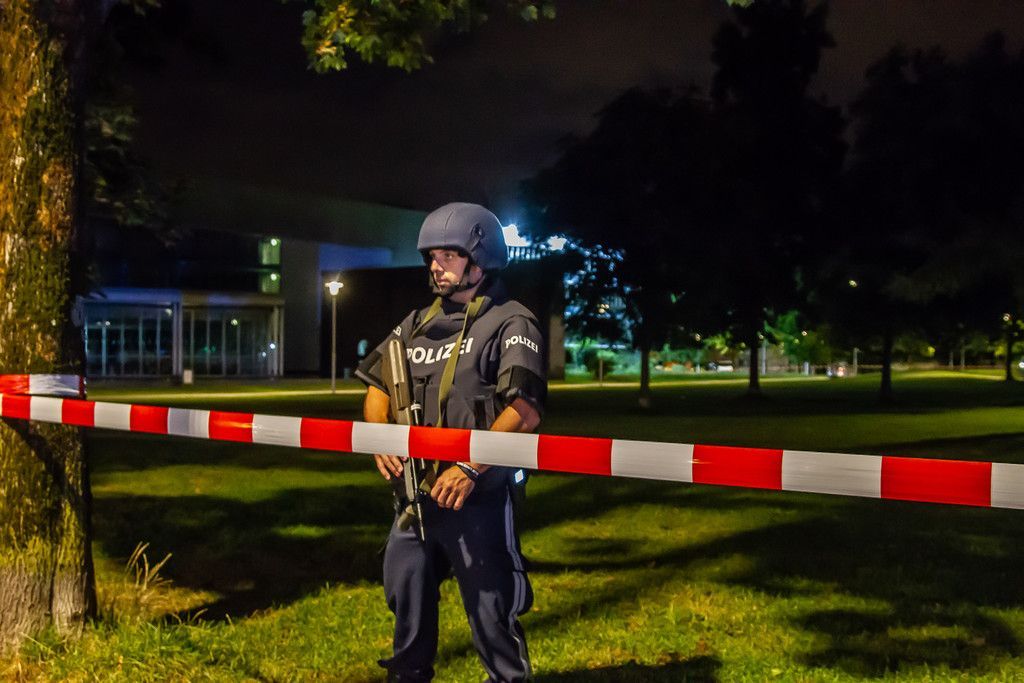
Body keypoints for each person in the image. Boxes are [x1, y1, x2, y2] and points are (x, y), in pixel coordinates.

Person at [356, 202, 547, 683]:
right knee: (405, 591)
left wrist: (468, 466)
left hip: (478, 496)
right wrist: (380, 434)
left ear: (479, 259)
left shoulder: (511, 321)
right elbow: (378, 386)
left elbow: (524, 410)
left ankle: (508, 678)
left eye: (448, 256)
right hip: (416, 495)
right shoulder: (416, 323)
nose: (435, 266)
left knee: (490, 606)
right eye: (431, 257)